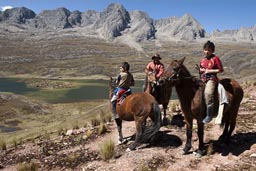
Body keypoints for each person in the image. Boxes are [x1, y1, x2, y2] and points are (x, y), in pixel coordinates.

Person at [199, 41, 224, 123]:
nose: (206, 51)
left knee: (208, 93)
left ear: (212, 51)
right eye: (205, 49)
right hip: (202, 78)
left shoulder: (215, 59)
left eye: (208, 50)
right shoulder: (203, 60)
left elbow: (220, 70)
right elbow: (201, 69)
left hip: (211, 79)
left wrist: (209, 71)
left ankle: (209, 115)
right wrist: (201, 70)